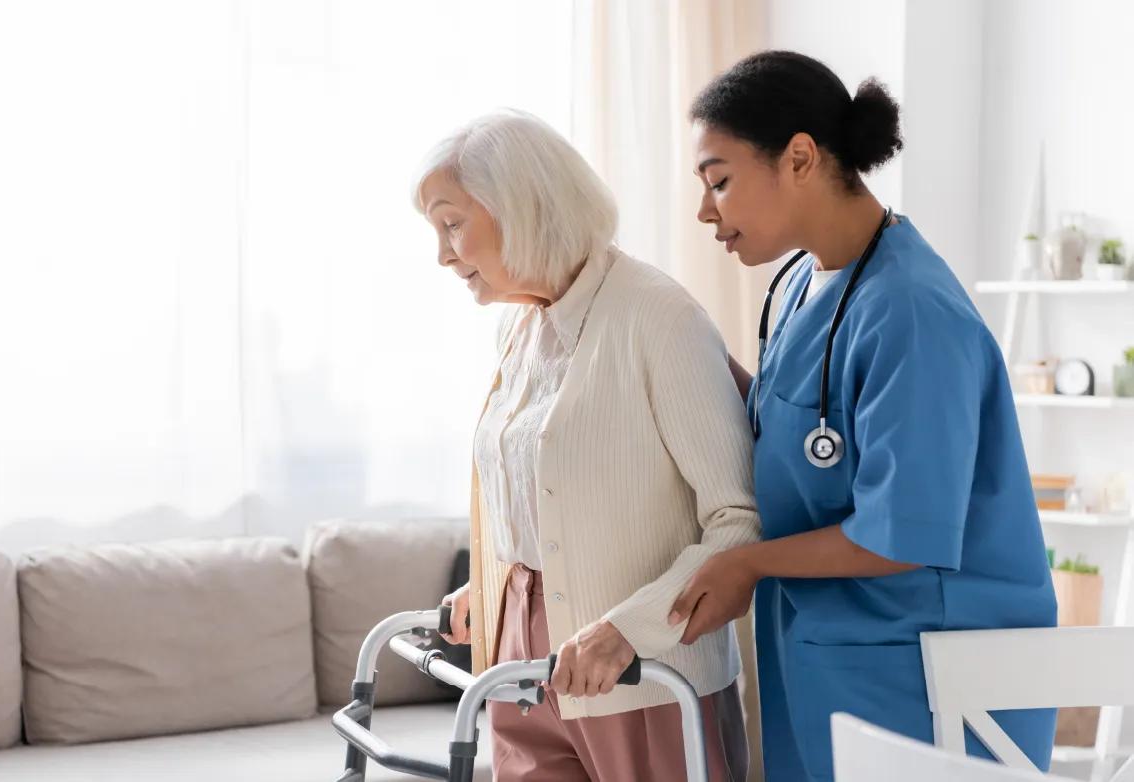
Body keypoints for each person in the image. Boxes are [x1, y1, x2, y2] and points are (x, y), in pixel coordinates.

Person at [667, 51, 1057, 781]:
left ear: (801, 158)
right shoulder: (799, 283)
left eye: (720, 180)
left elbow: (897, 533)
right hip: (830, 652)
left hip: (928, 670)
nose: (704, 210)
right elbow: (808, 429)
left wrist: (745, 563)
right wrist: (681, 360)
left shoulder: (910, 312)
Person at [413, 109, 759, 781]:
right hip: (521, 666)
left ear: (521, 206)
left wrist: (629, 628)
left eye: (452, 224)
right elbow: (535, 489)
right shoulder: (520, 331)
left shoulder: (659, 318)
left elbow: (740, 522)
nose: (443, 254)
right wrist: (496, 588)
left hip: (639, 668)